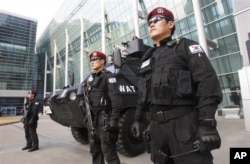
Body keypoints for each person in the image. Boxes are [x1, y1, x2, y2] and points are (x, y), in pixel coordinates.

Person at [131, 7, 222, 164]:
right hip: (156, 129)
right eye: (149, 22)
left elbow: (207, 83)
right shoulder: (147, 58)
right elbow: (143, 94)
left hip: (183, 124)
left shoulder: (185, 47)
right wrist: (137, 119)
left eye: (156, 20)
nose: (151, 24)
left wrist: (207, 123)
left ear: (170, 24)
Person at [83, 51, 121, 164]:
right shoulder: (91, 79)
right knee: (95, 152)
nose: (92, 62)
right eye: (91, 60)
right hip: (92, 121)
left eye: (95, 60)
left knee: (109, 154)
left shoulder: (109, 77)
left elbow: (116, 100)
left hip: (104, 120)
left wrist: (114, 120)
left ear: (103, 61)